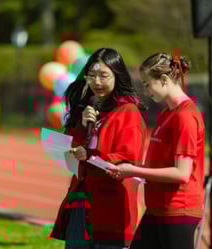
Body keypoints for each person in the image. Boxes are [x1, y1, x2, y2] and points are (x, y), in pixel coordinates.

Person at [50, 48, 147, 249]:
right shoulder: (86, 109)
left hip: (111, 205)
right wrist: (82, 126)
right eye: (91, 76)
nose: (97, 82)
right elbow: (71, 148)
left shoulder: (128, 112)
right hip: (81, 199)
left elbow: (128, 157)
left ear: (117, 76)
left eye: (104, 76)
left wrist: (92, 155)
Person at [107, 52, 205, 249]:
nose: (145, 91)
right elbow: (160, 165)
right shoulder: (167, 113)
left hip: (178, 210)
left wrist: (133, 171)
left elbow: (182, 173)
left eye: (146, 84)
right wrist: (126, 168)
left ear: (164, 79)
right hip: (157, 209)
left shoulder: (185, 117)